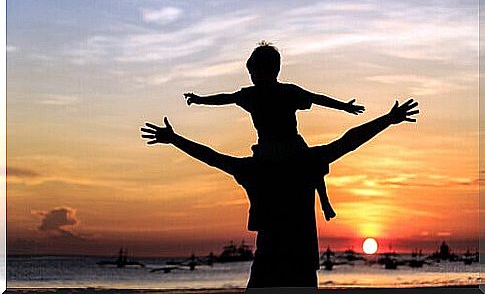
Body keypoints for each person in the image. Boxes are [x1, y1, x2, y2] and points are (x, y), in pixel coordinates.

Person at [141, 99, 419, 289]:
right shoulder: (305, 161)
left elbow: (213, 157)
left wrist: (174, 139)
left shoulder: (256, 168)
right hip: (297, 264)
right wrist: (388, 119)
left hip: (271, 263)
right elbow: (349, 141)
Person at [183, 41, 365, 221]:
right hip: (282, 146)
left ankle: (324, 202)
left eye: (253, 72)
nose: (252, 77)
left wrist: (200, 100)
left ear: (267, 70)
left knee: (311, 164)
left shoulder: (262, 94)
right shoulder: (275, 92)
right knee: (313, 163)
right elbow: (316, 98)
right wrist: (343, 107)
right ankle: (324, 202)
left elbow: (225, 98)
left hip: (273, 148)